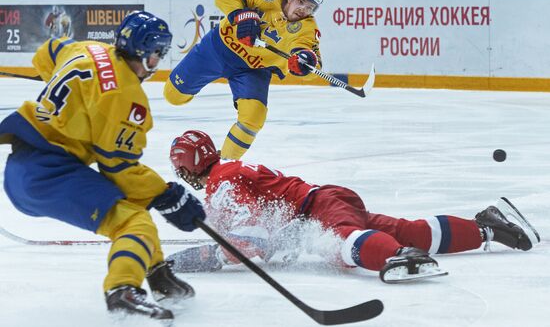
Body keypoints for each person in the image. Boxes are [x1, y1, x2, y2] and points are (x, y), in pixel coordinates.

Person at [0, 12, 207, 321]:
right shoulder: (125, 96)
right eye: (154, 58)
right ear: (140, 52)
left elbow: (49, 53)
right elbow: (119, 170)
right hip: (48, 174)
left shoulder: (87, 48)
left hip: (28, 165)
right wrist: (167, 195)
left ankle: (156, 272)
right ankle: (122, 290)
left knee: (133, 209)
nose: (154, 66)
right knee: (134, 222)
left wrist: (71, 94)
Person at [165, 130, 540, 283]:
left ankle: (397, 258)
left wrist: (188, 260)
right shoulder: (229, 170)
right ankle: (489, 227)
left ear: (190, 166)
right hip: (326, 200)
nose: (184, 177)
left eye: (182, 170)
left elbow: (251, 242)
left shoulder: (221, 182)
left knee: (340, 242)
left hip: (319, 209)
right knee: (405, 230)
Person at [164, 0, 324, 160]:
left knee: (254, 117)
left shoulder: (307, 27)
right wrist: (242, 14)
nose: (303, 10)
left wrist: (305, 62)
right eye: (301, 2)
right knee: (173, 96)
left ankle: (223, 168)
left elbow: (314, 63)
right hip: (217, 49)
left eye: (310, 7)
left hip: (253, 70)